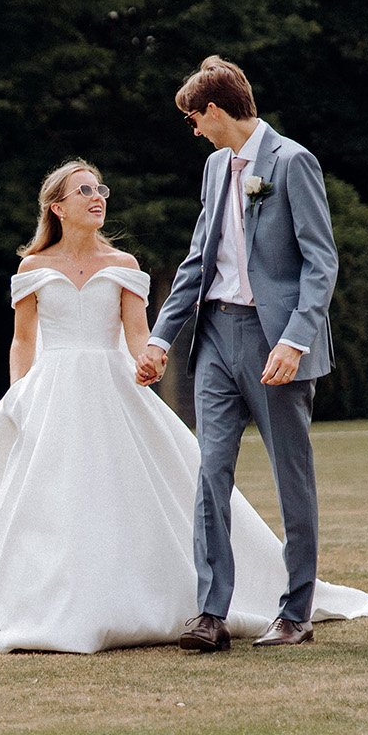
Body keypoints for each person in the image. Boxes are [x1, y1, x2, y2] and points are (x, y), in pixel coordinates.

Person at [0, 157, 368, 653]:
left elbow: (140, 337)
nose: (97, 198)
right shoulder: (33, 268)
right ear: (57, 207)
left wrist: (149, 363)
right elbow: (23, 342)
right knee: (51, 496)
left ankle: (176, 596)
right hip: (53, 393)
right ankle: (49, 602)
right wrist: (19, 395)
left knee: (131, 487)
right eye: (84, 191)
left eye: (100, 190)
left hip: (112, 390)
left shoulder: (123, 267)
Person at [137, 57, 340, 650]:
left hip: (275, 341)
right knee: (210, 473)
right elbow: (198, 259)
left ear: (216, 111)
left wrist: (295, 340)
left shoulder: (293, 161)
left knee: (290, 478)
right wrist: (159, 337)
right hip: (215, 340)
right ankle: (210, 613)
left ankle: (296, 611)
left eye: (194, 119)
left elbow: (321, 262)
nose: (193, 130)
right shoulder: (213, 167)